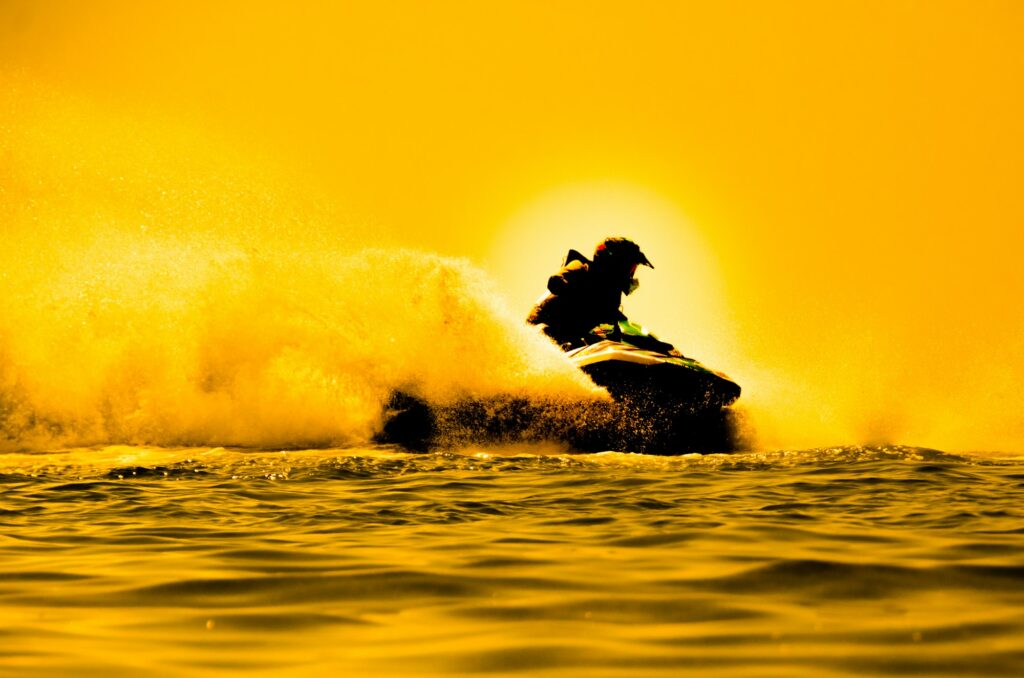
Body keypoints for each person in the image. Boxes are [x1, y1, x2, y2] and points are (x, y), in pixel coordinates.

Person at [527, 237, 656, 349]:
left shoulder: (610, 298)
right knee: (546, 332)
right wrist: (572, 290)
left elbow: (609, 330)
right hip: (540, 334)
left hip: (572, 344)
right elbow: (555, 281)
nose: (631, 275)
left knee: (608, 342)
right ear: (615, 263)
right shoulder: (582, 267)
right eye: (630, 267)